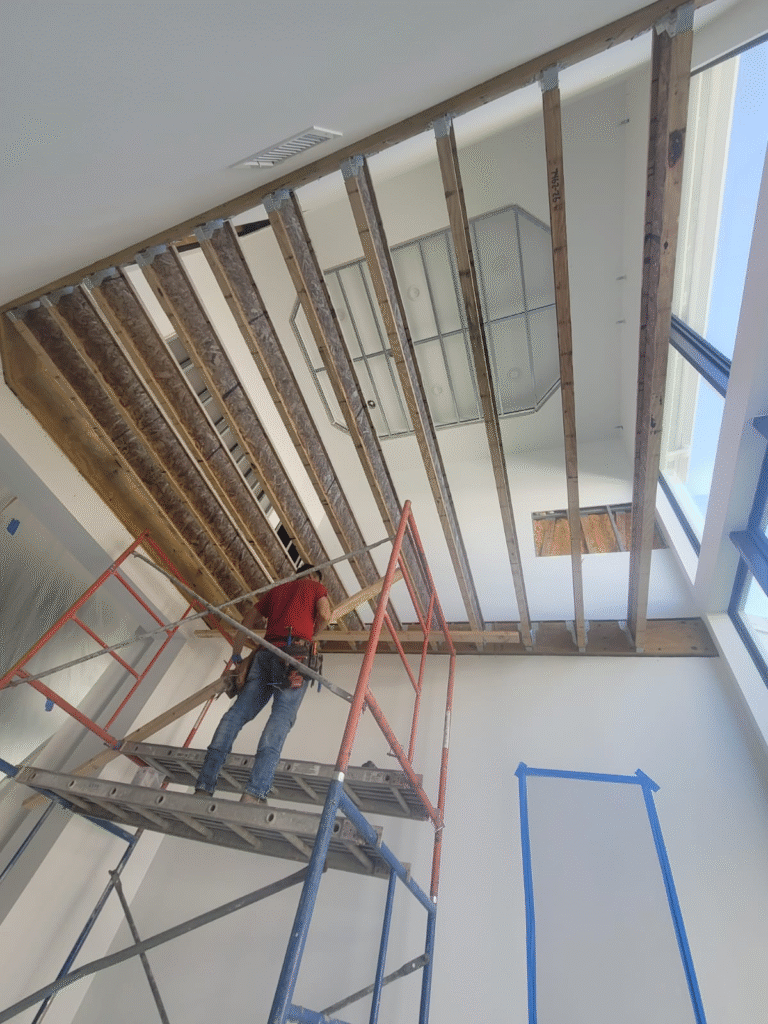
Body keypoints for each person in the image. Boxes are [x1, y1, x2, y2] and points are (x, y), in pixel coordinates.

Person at [195, 566, 331, 804]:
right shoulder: (315, 587)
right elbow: (326, 614)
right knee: (280, 718)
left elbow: (247, 620)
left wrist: (237, 655)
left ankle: (204, 785)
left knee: (236, 714)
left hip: (264, 655)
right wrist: (313, 633)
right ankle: (253, 793)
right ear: (312, 576)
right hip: (294, 657)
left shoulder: (277, 590)